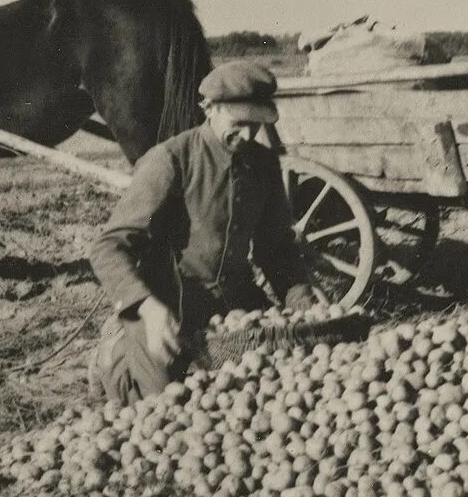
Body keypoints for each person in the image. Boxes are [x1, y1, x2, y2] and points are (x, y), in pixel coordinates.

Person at [88, 61, 314, 404]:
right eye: (239, 124)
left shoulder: (263, 164)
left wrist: (302, 299)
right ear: (209, 109)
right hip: (168, 302)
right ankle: (115, 355)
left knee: (284, 377)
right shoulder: (170, 160)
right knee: (165, 401)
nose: (250, 135)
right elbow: (107, 247)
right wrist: (147, 308)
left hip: (235, 303)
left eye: (258, 125)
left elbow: (276, 248)